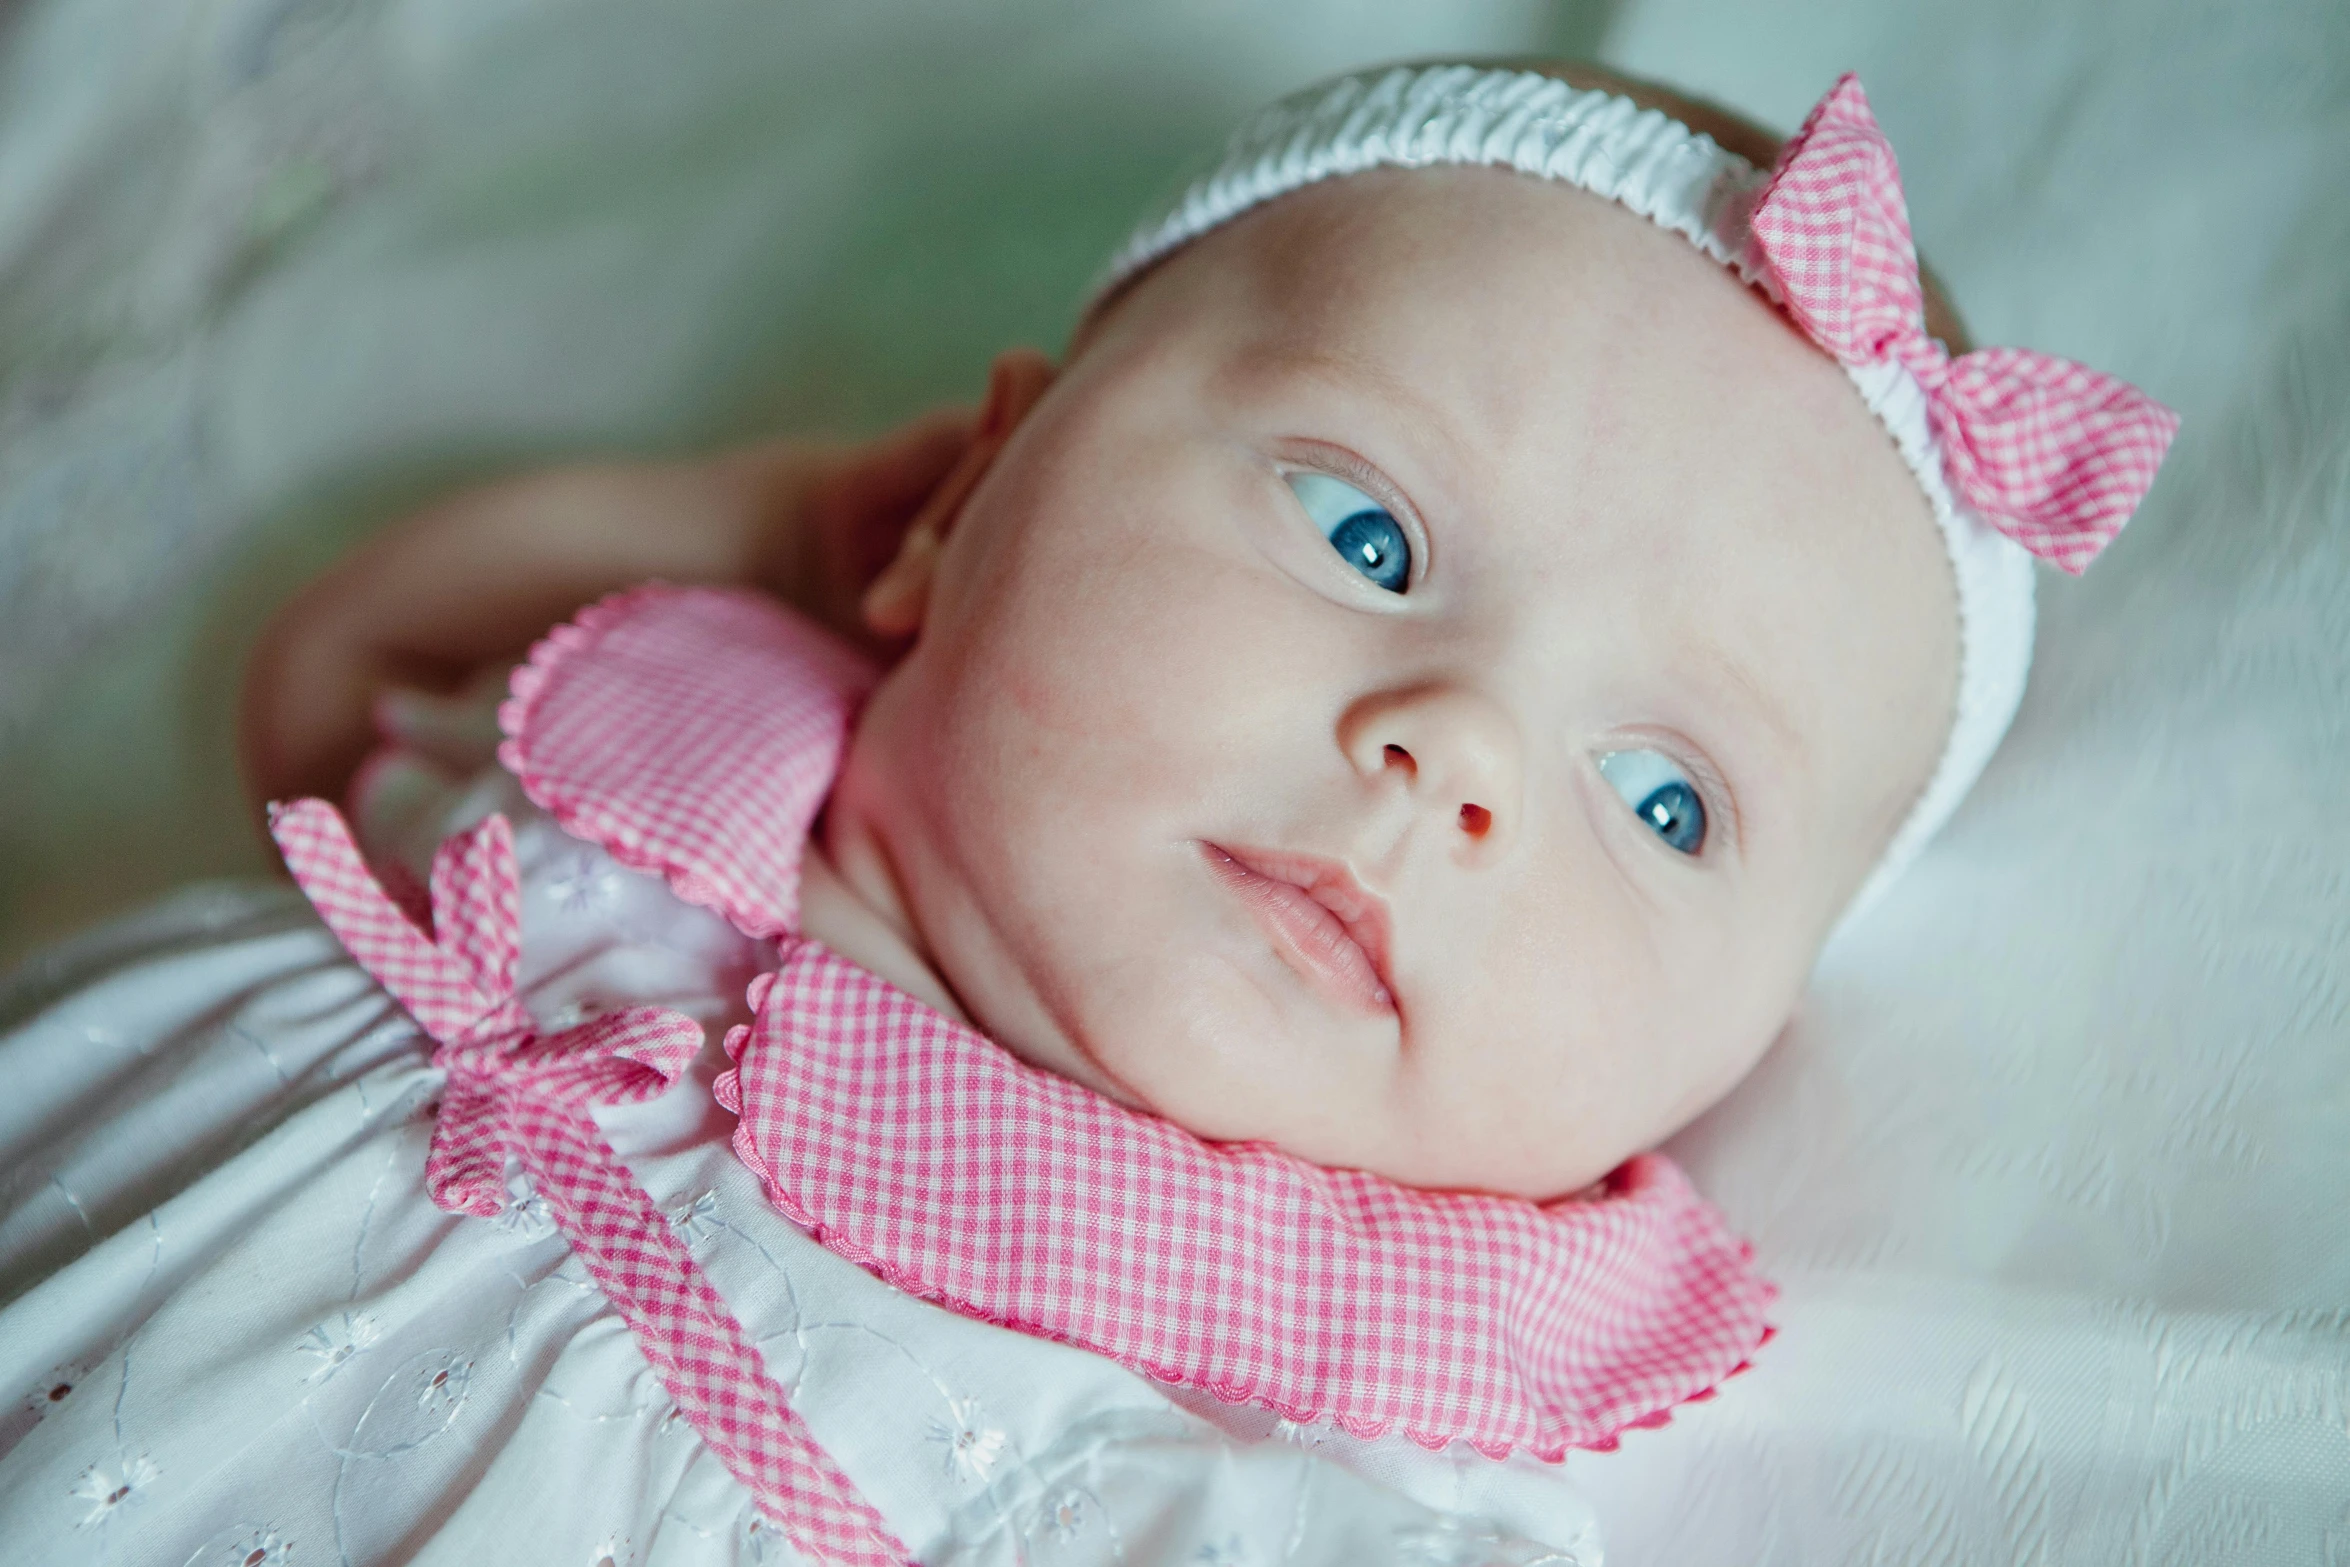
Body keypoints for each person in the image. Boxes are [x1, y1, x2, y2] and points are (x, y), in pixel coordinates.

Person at [0, 61, 2175, 1565]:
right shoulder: (672, 754)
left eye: (1664, 800)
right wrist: (779, 517)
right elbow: (315, 687)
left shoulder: (1321, 1419)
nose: (1456, 755)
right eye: (1369, 537)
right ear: (964, 489)